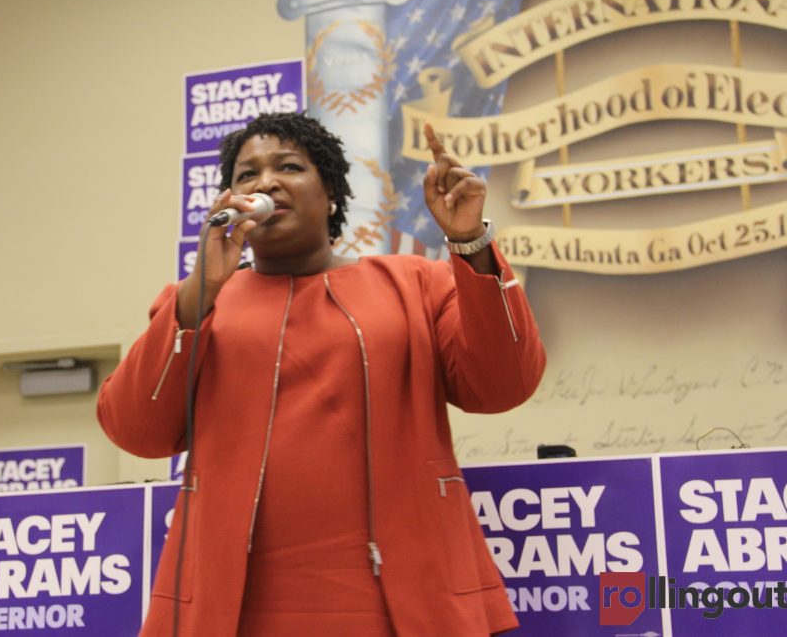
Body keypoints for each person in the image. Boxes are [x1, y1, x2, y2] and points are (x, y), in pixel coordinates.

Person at [97, 112, 546, 636]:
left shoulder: (416, 283)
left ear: (330, 192)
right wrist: (202, 289)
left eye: (288, 166)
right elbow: (136, 431)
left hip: (406, 603)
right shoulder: (196, 302)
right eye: (247, 175)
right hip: (234, 611)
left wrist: (469, 243)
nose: (265, 182)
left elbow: (503, 385)